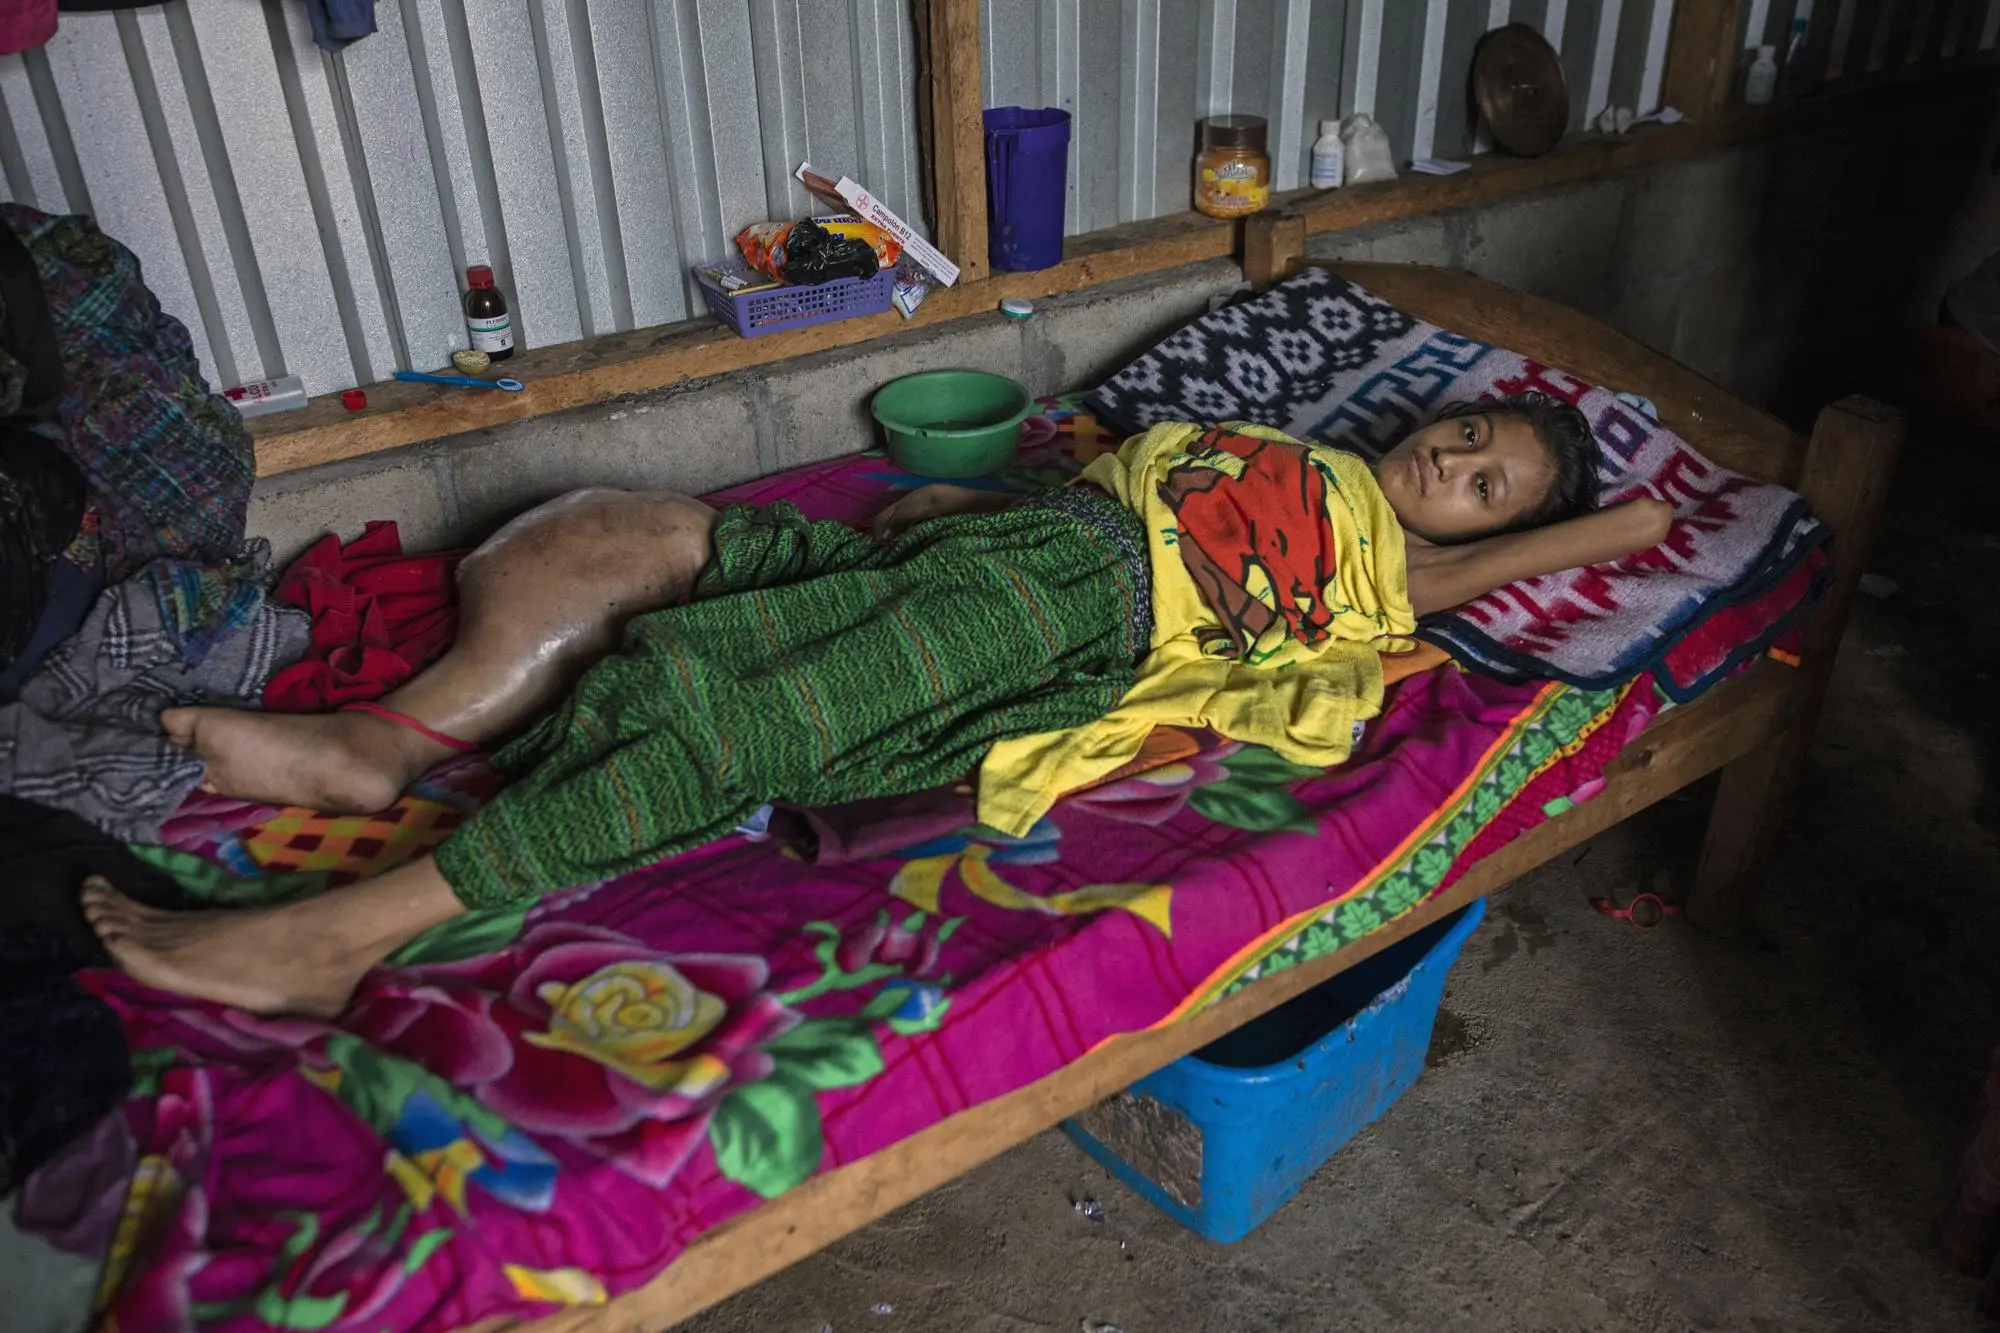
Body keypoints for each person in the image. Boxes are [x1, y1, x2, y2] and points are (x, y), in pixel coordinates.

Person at [82, 396, 1672, 1017]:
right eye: (1467, 433)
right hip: (993, 545)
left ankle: (340, 933)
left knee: (718, 723)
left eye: (1482, 490)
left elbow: (1554, 551)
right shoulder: (1296, 452)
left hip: (1071, 610)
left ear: (1472, 533)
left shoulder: (1384, 569)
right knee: (602, 536)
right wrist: (946, 518)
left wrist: (1627, 517)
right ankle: (386, 744)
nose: (1447, 468)